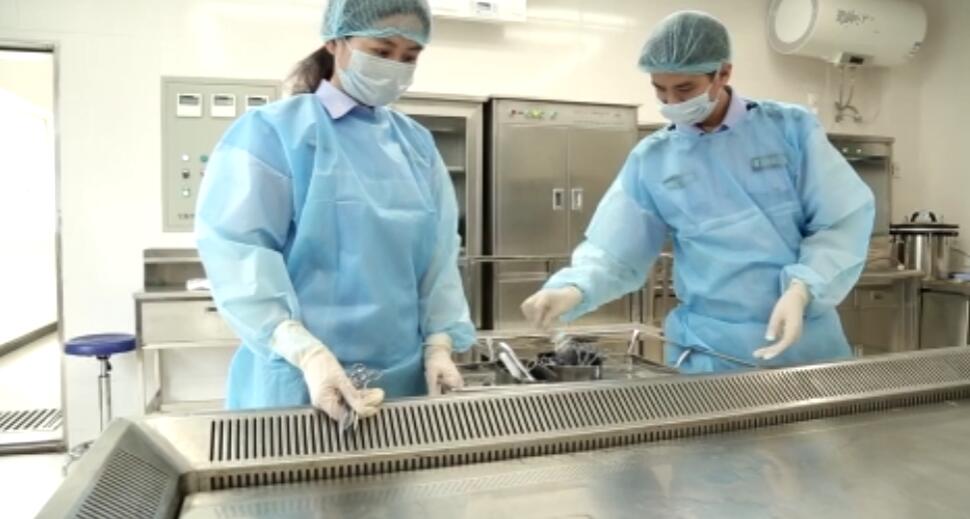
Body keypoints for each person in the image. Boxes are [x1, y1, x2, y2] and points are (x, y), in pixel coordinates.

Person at [521, 10, 874, 373]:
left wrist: (803, 290)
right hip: (709, 350)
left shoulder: (788, 129)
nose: (671, 102)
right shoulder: (653, 159)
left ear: (723, 74)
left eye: (685, 89)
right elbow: (616, 253)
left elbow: (841, 220)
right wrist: (572, 288)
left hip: (804, 339)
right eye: (660, 89)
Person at [195, 0, 474, 421]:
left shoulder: (416, 146)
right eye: (381, 51)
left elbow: (438, 257)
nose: (395, 66)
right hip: (297, 381)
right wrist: (308, 354)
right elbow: (237, 254)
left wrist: (439, 344)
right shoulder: (274, 132)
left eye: (409, 56)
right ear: (334, 42)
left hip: (402, 380)